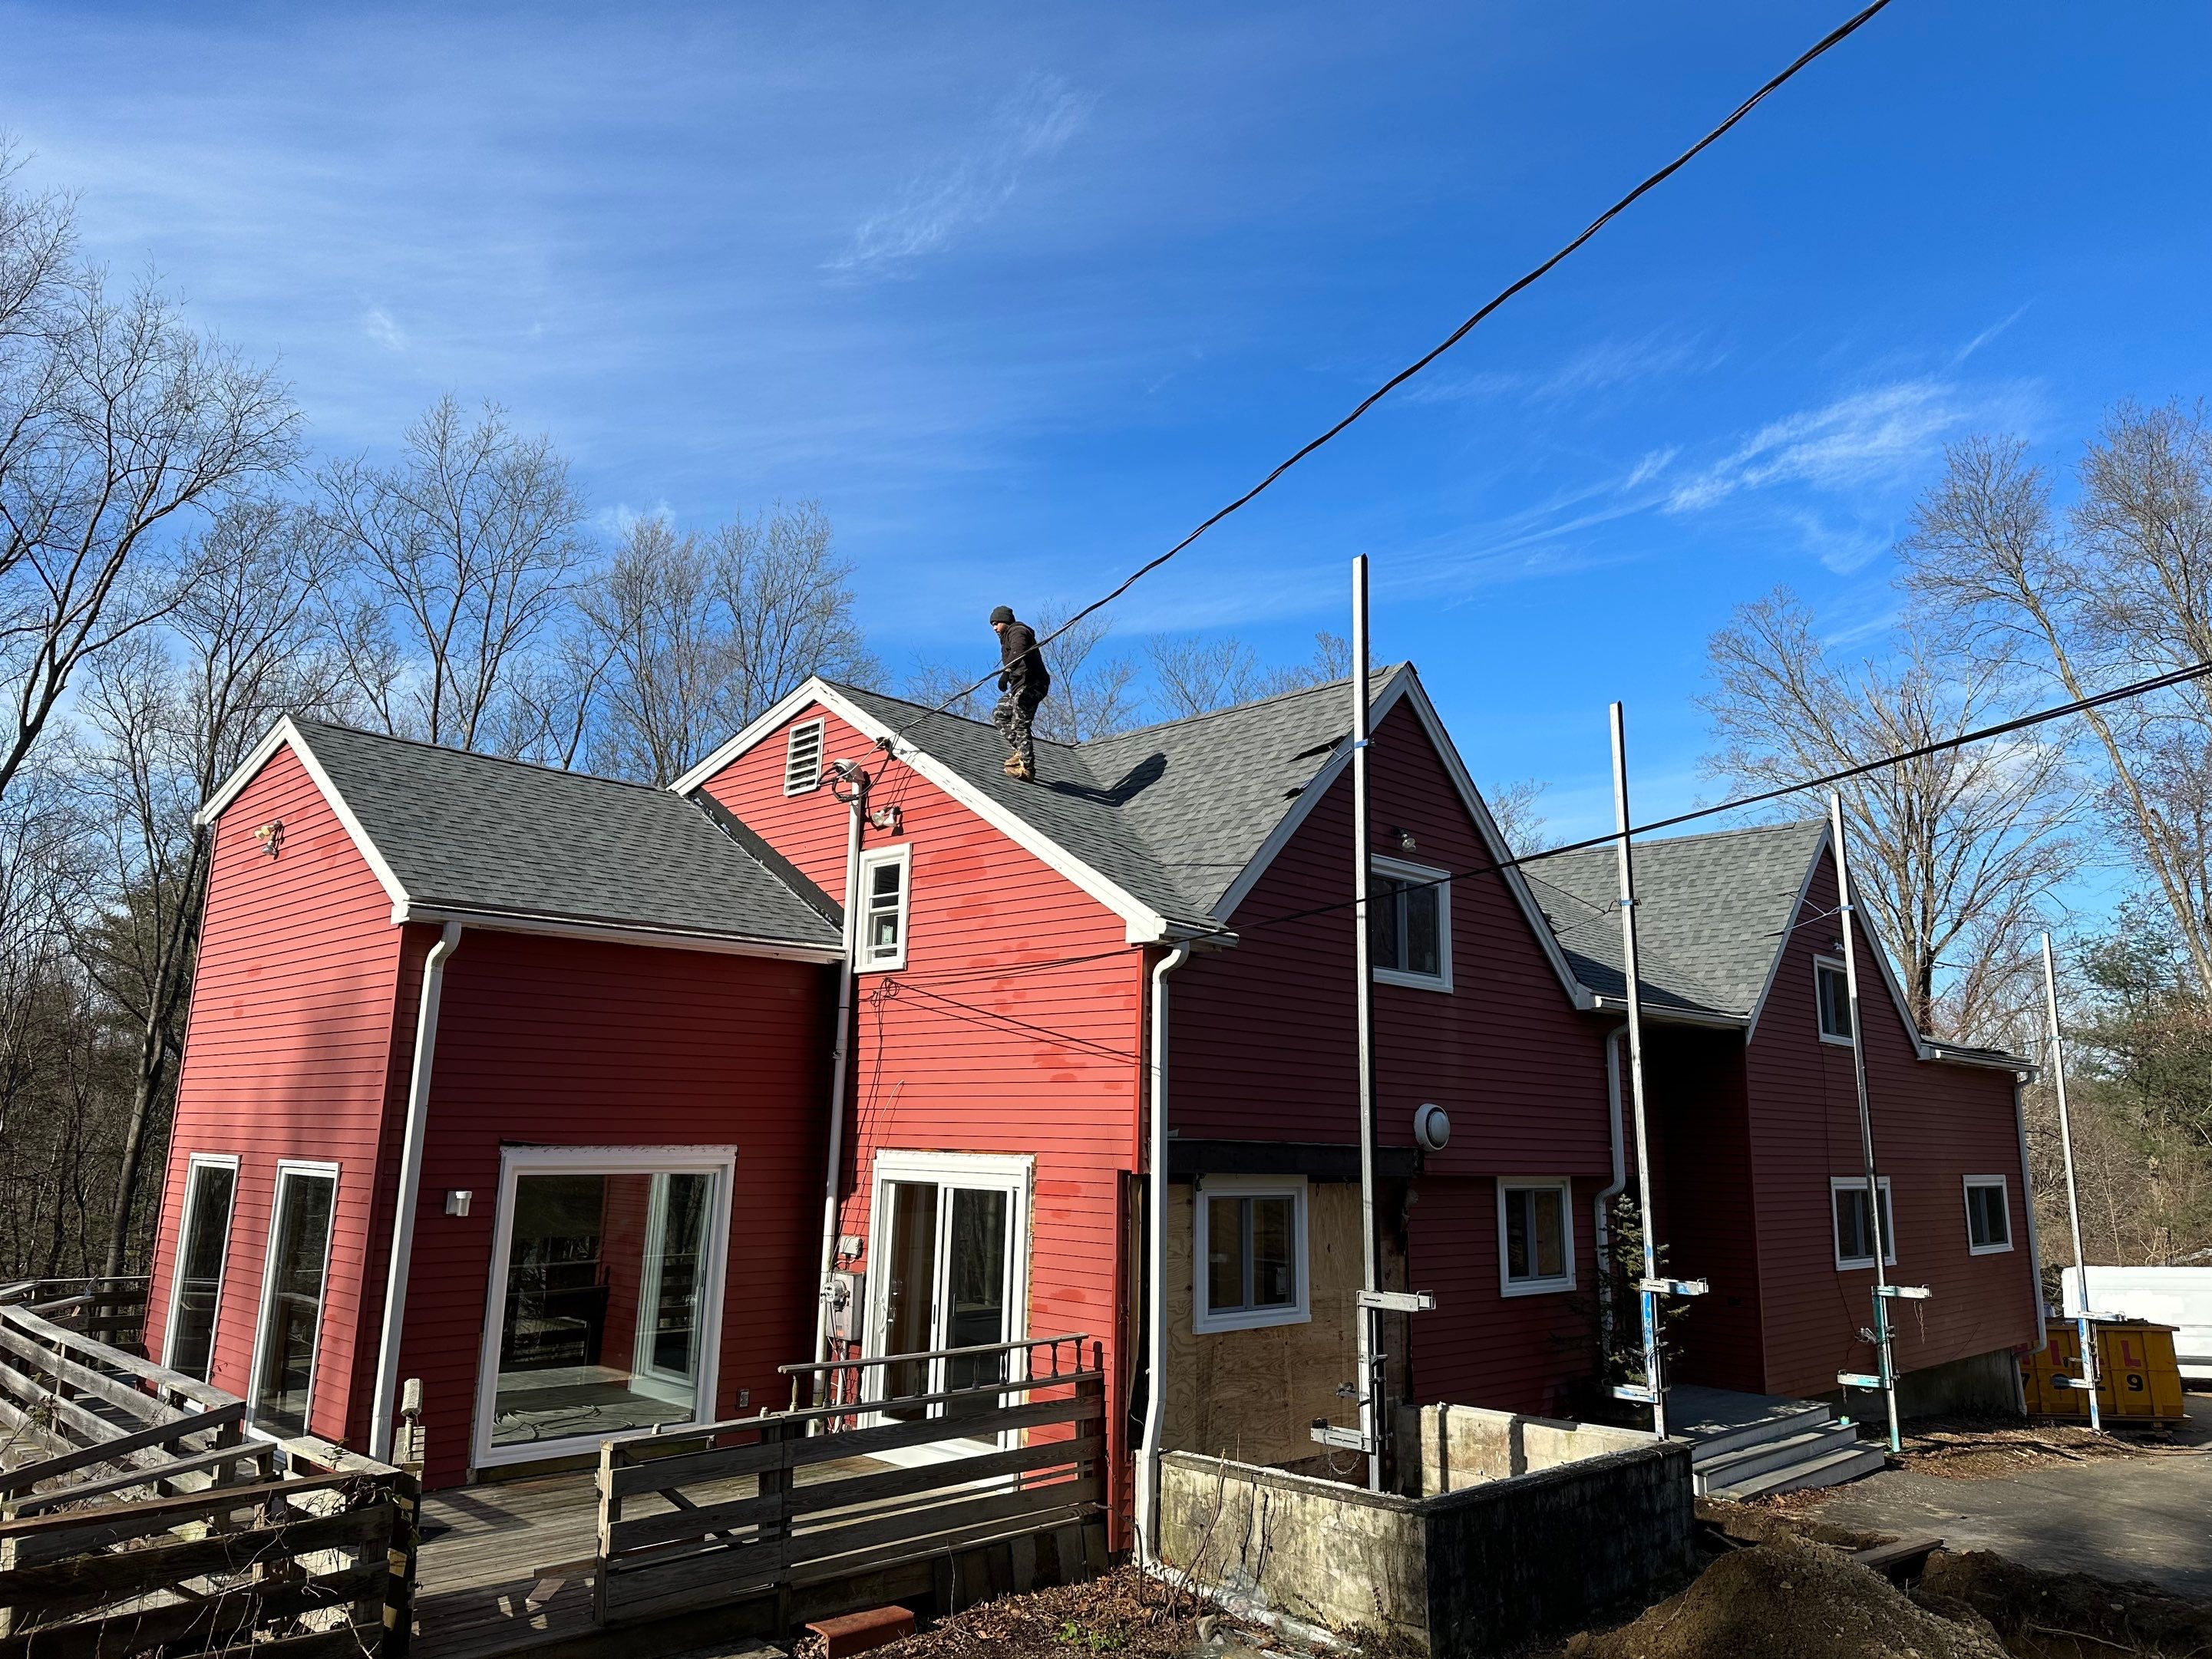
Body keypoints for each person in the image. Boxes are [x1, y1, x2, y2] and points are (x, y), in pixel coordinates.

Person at [989, 605, 1051, 781]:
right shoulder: (1006, 638)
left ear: (1006, 621)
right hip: (1019, 685)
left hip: (1033, 683)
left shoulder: (1018, 631)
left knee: (1020, 721)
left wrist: (1006, 673)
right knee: (1000, 714)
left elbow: (1019, 651)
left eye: (996, 623)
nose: (994, 628)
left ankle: (1027, 767)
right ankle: (1020, 751)